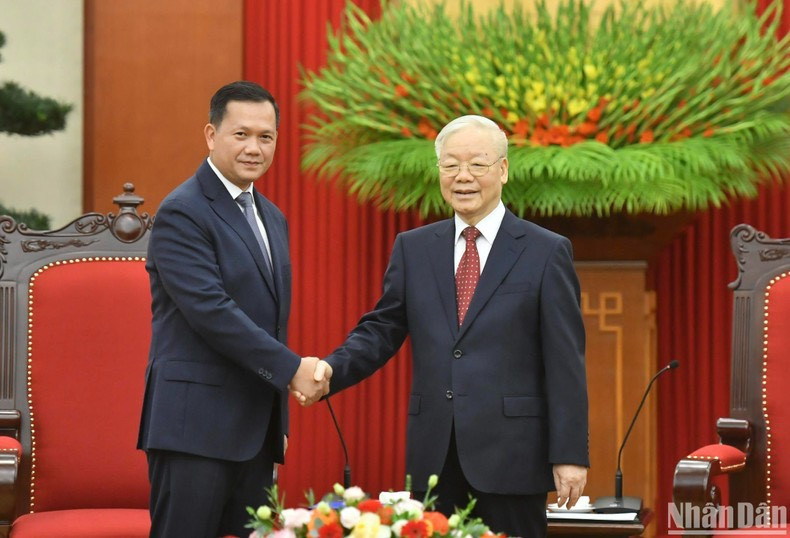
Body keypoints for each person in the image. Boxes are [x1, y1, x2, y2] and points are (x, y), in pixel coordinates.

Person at [310, 115, 589, 537]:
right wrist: (331, 369)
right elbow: (381, 329)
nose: (463, 177)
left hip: (512, 457)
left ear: (503, 169)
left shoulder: (545, 251)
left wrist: (569, 453)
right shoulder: (414, 248)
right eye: (450, 165)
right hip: (434, 455)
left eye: (477, 164)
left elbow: (565, 360)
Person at [138, 80, 331, 538]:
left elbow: (273, 322)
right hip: (194, 431)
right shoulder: (182, 211)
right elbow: (212, 312)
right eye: (240, 134)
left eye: (266, 137)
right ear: (211, 135)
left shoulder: (273, 217)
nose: (254, 148)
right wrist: (292, 370)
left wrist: (276, 418)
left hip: (255, 434)